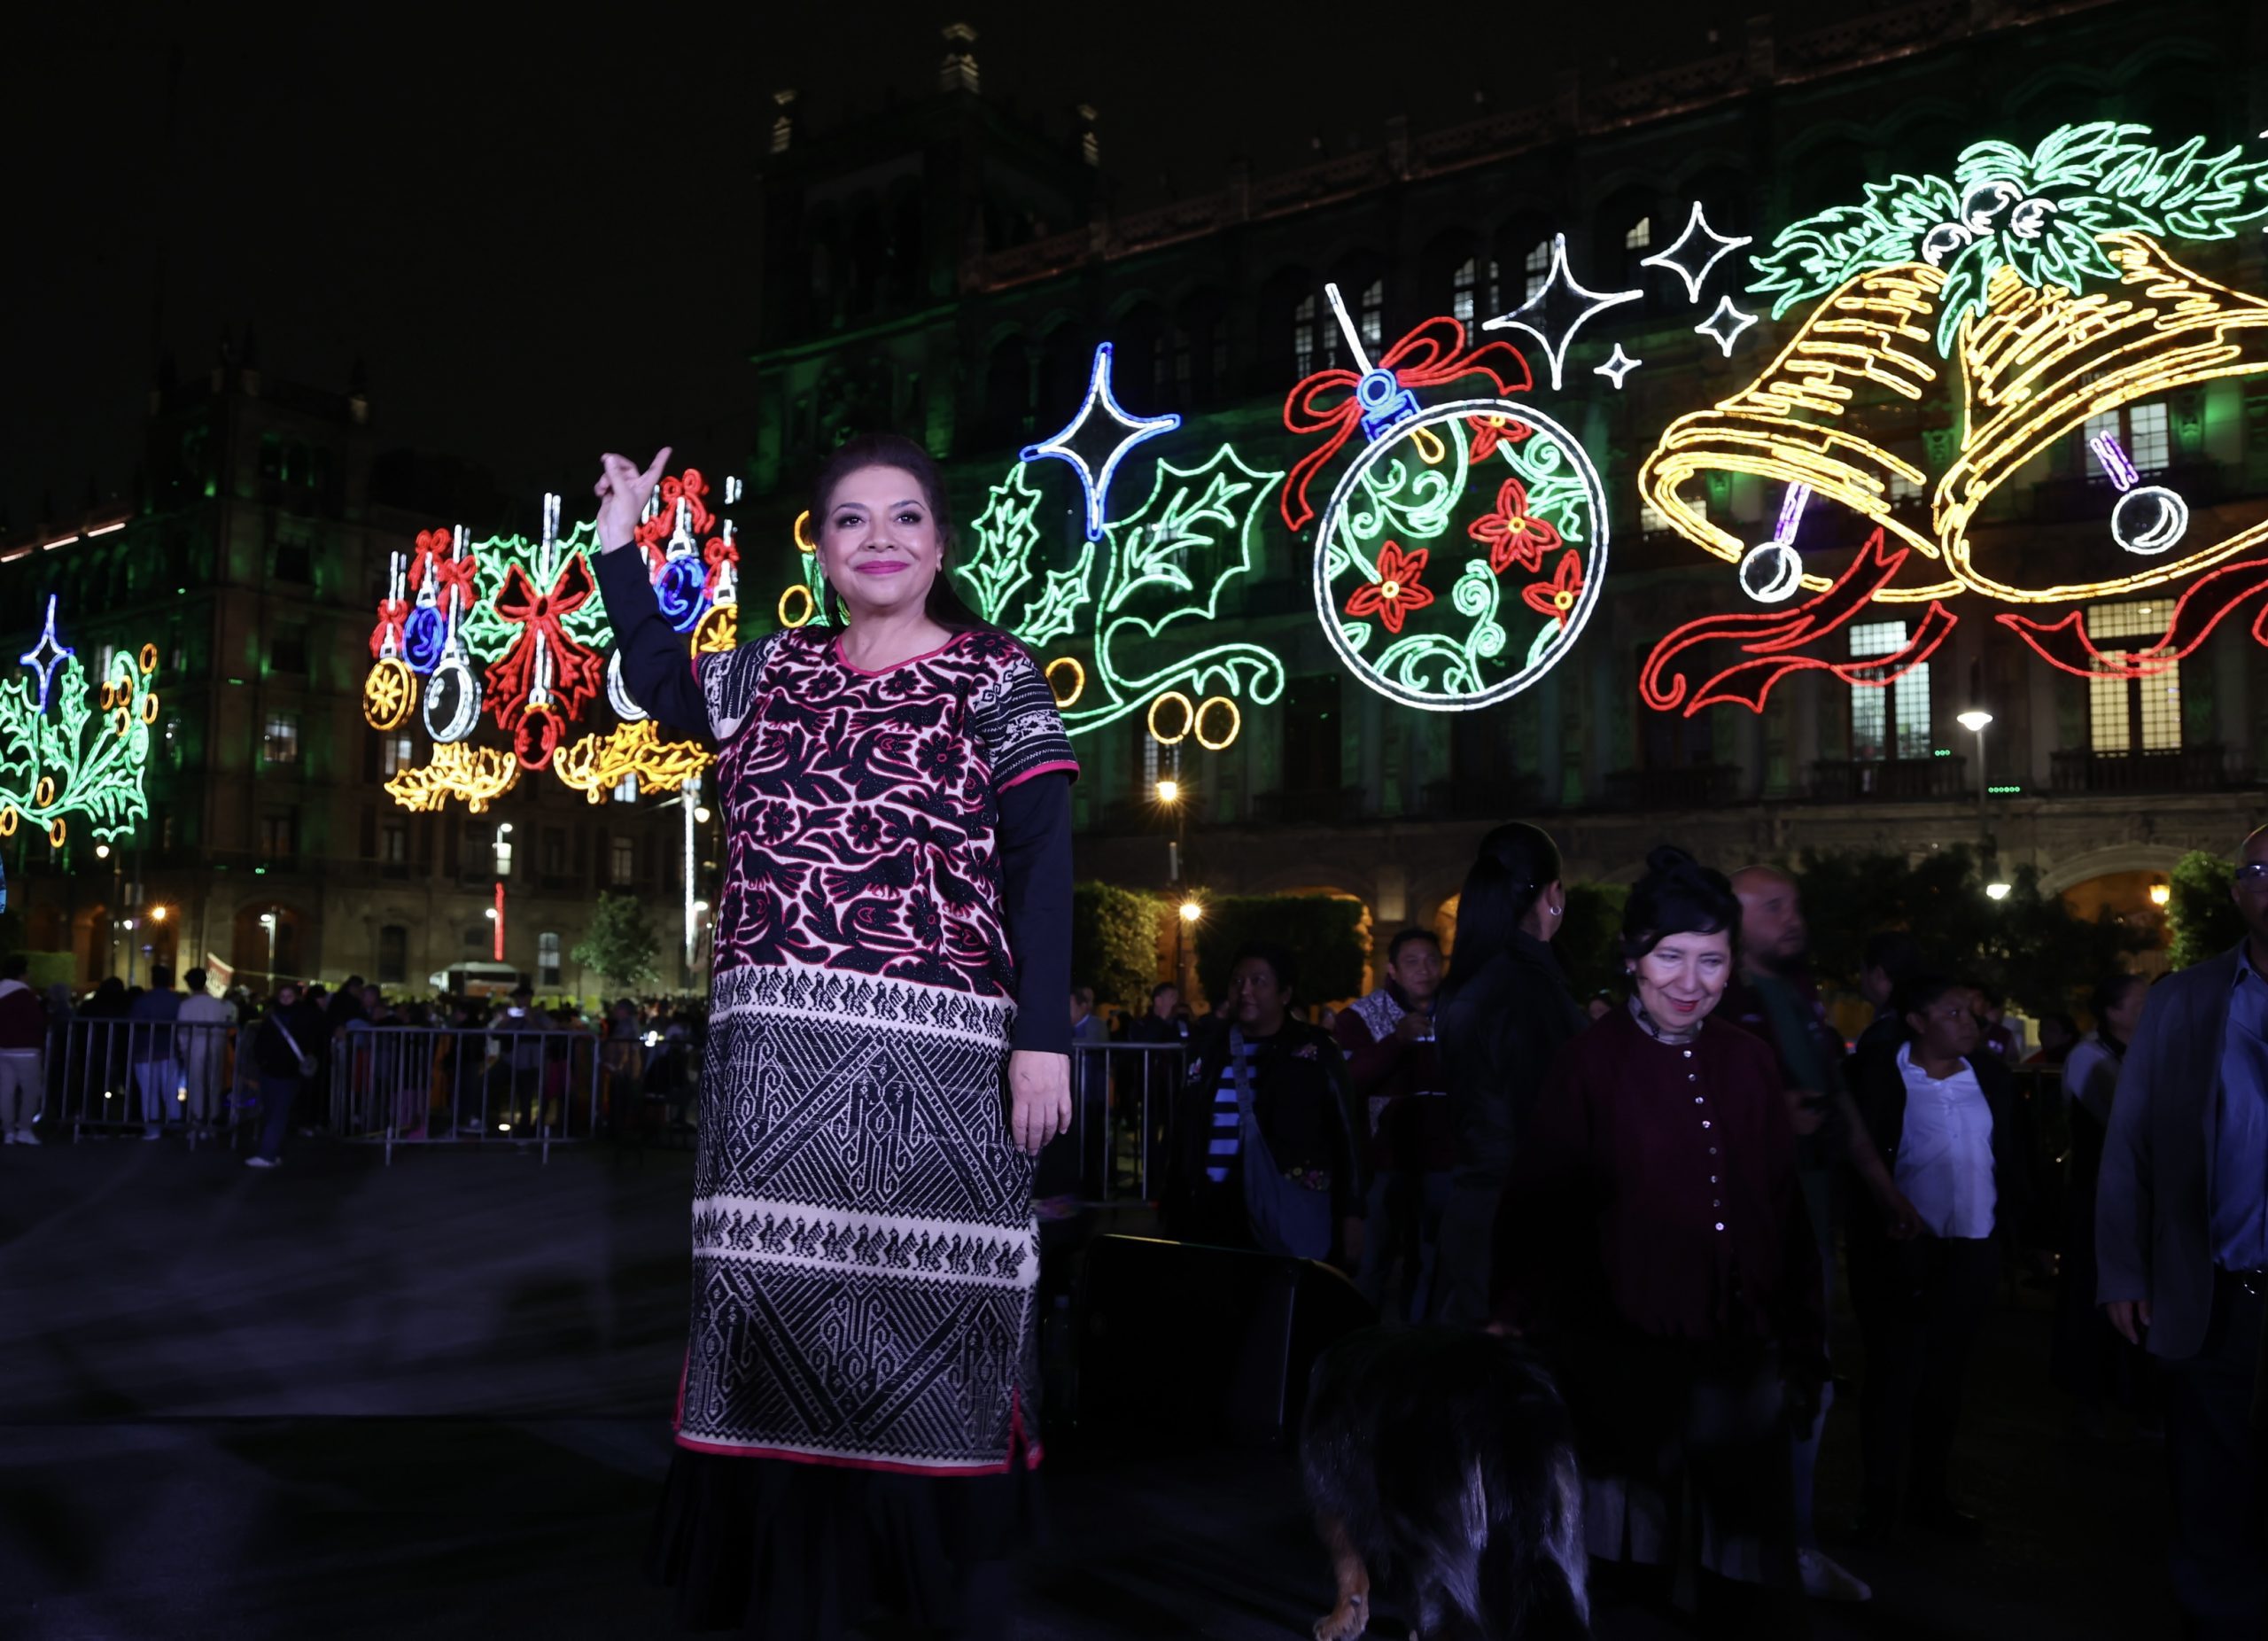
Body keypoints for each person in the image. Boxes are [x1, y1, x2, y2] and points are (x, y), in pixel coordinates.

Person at [597, 434, 1075, 1641]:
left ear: (941, 543)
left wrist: (1045, 1038)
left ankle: (918, 1587)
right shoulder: (770, 671)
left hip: (947, 1060)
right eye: (851, 520)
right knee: (772, 1324)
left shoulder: (997, 678)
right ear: (818, 546)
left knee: (926, 1320)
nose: (880, 540)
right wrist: (618, 547)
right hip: (775, 1066)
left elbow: (1043, 866)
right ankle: (783, 1591)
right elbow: (658, 675)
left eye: (905, 518)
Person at [1495, 846, 1822, 1629]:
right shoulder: (1589, 1065)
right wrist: (1519, 1318)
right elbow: (1541, 1206)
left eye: (1710, 961)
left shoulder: (1747, 1061)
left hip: (1738, 1356)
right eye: (1670, 957)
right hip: (1619, 1359)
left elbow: (1785, 1204)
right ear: (1633, 959)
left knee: (1742, 1572)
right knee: (1625, 1576)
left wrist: (1804, 1333)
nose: (1690, 981)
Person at [1723, 867, 1919, 1601]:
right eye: (1774, 908)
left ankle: (1788, 1549)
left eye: (1795, 904)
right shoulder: (1718, 997)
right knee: (1745, 1392)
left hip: (1808, 1223)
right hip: (1749, 1230)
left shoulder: (1800, 994)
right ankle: (1742, 1555)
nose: (1793, 917)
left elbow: (1834, 1099)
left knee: (1806, 1389)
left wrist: (1883, 1187)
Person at [2098, 825, 2268, 1638]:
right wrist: (2125, 1272)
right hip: (2219, 1296)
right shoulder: (2184, 999)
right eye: (2261, 869)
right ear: (2239, 893)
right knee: (2211, 1490)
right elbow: (2129, 1143)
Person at [1845, 975, 2030, 1541]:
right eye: (1952, 1013)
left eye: (1972, 1013)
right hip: (1902, 1251)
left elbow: (2014, 1159)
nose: (1969, 1022)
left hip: (1972, 1246)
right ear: (1917, 1022)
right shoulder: (1880, 1078)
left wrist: (2020, 1235)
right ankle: (1878, 1501)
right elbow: (1856, 1157)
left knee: (1947, 1380)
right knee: (1893, 1375)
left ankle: (1930, 1495)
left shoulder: (1992, 1079)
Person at [1430, 821, 1582, 1327]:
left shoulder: (1475, 978)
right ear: (1553, 895)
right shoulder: (1527, 988)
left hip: (1479, 1208)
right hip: (1522, 1220)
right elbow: (1549, 1119)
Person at [1164, 941, 1362, 1270]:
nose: (1245, 991)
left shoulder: (1315, 1051)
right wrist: (1173, 1202)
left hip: (1285, 1204)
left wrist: (1353, 1212)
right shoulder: (1208, 1050)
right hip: (1213, 1207)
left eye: (1259, 981)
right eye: (1238, 981)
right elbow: (1183, 1131)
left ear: (1285, 993)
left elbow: (1347, 1134)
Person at [1334, 928, 1452, 1320]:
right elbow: (1348, 1080)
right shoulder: (1360, 1016)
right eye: (1413, 962)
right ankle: (1359, 1354)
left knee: (1432, 1268)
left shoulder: (1457, 1012)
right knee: (1373, 1264)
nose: (1425, 970)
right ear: (1393, 970)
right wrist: (1395, 1042)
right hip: (1382, 1165)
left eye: (1433, 960)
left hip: (1442, 1165)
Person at [2054, 973, 2148, 1436]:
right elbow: (2125, 1122)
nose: (2149, 1005)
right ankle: (2088, 1392)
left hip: (2130, 1191)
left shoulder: (2134, 1052)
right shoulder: (2090, 1058)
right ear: (2114, 1011)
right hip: (2097, 1192)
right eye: (2140, 999)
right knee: (2093, 1290)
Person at [246, 981, 321, 1169]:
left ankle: (268, 1154)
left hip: (282, 1070)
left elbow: (261, 1043)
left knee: (276, 1113)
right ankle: (274, 1152)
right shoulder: (303, 1016)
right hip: (280, 1069)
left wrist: (263, 1060)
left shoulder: (274, 1017)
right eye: (283, 997)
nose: (286, 1000)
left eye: (289, 996)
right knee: (275, 1112)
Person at [127, 964, 184, 1140]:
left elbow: (133, 1024)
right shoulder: (176, 1001)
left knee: (148, 1092)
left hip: (144, 1050)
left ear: (152, 980)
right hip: (169, 1050)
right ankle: (175, 1125)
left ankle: (152, 1129)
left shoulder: (142, 1001)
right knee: (170, 1091)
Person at [176, 968, 235, 1139]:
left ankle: (197, 1122)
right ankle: (212, 1122)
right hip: (216, 1045)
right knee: (214, 1084)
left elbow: (182, 1031)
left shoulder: (186, 1005)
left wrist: (183, 1049)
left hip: (194, 1047)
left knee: (196, 1085)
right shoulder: (219, 1005)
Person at [1852, 930, 1923, 1061]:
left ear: (1878, 974)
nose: (1861, 980)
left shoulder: (1880, 1037)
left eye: (1862, 971)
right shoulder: (1929, 1020)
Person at [0, 954, 46, 1145]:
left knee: (6, 1091)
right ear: (22, 973)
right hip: (26, 1048)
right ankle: (24, 1129)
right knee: (31, 1091)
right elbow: (36, 1020)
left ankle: (8, 1130)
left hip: (3, 1049)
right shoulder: (24, 994)